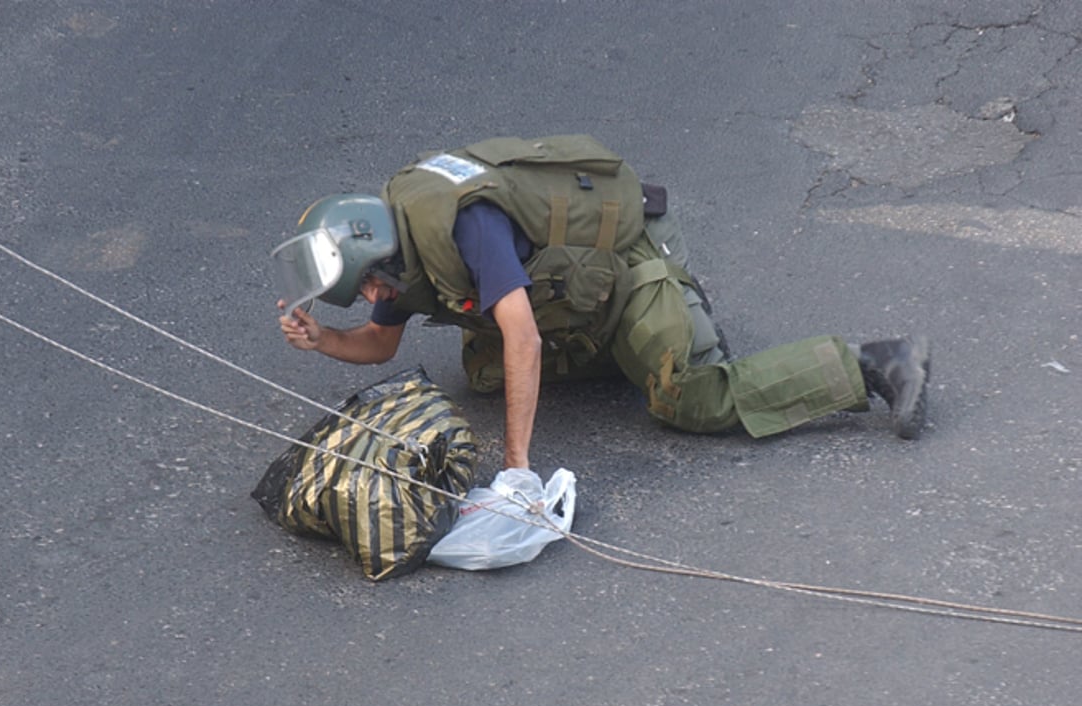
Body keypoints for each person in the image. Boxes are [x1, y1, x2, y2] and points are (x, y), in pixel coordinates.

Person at [277, 135, 930, 470]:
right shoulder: (398, 254)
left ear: (380, 251)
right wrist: (324, 342)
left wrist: (517, 469)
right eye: (359, 294)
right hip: (574, 282)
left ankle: (871, 362)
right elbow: (380, 342)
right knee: (487, 371)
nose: (372, 299)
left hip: (632, 260)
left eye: (368, 286)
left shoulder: (464, 226)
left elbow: (525, 337)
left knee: (686, 399)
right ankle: (652, 343)